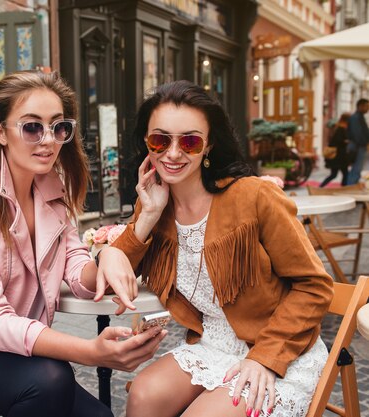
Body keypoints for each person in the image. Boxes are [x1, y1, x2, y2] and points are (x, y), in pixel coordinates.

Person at [0, 70, 166, 417]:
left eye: (58, 127)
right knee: (50, 379)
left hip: (6, 353)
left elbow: (80, 276)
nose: (48, 140)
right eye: (32, 127)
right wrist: (90, 352)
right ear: (0, 132)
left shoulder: (52, 192)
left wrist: (109, 253)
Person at [101, 80, 333, 417]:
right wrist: (148, 214)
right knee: (142, 396)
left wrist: (266, 358)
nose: (173, 153)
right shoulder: (154, 204)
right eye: (160, 140)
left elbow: (314, 287)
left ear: (208, 146)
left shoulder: (255, 196)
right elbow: (112, 281)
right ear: (146, 143)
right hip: (214, 343)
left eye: (190, 141)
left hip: (279, 346)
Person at [320, 112, 351, 187]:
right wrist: (346, 141)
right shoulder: (341, 128)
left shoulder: (337, 127)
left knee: (336, 174)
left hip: (337, 156)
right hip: (339, 156)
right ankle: (343, 187)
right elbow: (337, 141)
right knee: (342, 174)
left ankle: (321, 186)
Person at [346, 98, 369, 184]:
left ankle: (352, 185)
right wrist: (364, 143)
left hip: (360, 146)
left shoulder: (359, 117)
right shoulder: (355, 118)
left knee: (357, 169)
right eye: (366, 106)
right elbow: (357, 134)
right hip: (358, 147)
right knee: (356, 169)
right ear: (360, 106)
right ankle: (350, 187)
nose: (368, 109)